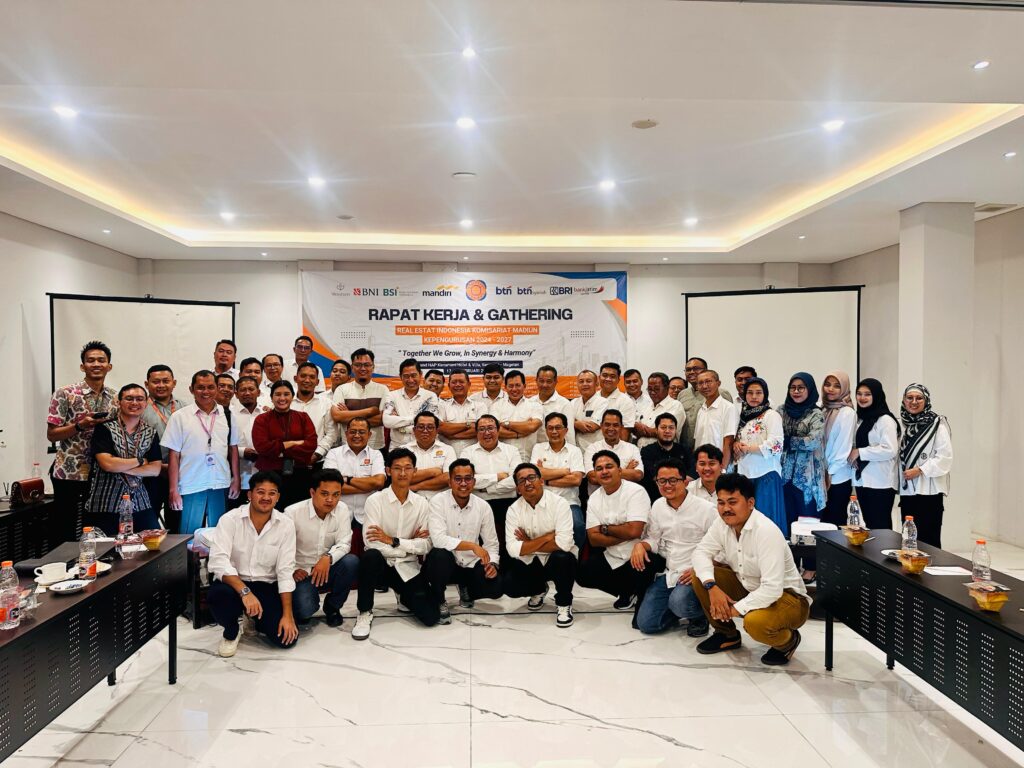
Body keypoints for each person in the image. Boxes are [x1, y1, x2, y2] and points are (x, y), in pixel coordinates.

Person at [690, 473, 811, 666]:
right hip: (749, 587)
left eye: (732, 502)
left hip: (788, 598)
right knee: (699, 576)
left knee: (754, 622)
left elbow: (772, 588)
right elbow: (700, 552)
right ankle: (727, 635)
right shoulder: (721, 524)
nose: (726, 509)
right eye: (721, 503)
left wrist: (733, 610)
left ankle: (788, 642)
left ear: (750, 503)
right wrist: (712, 587)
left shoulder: (765, 531)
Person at [207, 471, 299, 657]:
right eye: (260, 492)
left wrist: (287, 615)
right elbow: (218, 561)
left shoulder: (286, 524)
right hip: (233, 583)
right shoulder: (229, 520)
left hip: (265, 584)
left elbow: (285, 570)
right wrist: (245, 592)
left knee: (285, 640)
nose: (266, 498)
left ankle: (253, 618)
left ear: (278, 497)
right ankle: (231, 631)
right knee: (218, 595)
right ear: (249, 494)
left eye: (272, 493)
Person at [352, 449, 440, 639]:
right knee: (370, 556)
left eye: (408, 468)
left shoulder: (422, 503)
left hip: (407, 568)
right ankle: (364, 612)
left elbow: (426, 545)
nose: (402, 473)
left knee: (431, 617)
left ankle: (403, 595)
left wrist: (393, 541)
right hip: (381, 567)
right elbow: (371, 542)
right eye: (397, 468)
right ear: (388, 471)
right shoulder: (375, 500)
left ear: (414, 471)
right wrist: (407, 548)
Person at [632, 458, 717, 636]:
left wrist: (700, 570)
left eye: (673, 480)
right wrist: (641, 545)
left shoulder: (706, 509)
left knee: (679, 602)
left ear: (685, 481)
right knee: (647, 624)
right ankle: (679, 608)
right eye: (662, 481)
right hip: (670, 572)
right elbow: (654, 538)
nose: (667, 485)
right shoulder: (658, 505)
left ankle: (700, 615)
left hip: (695, 572)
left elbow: (720, 547)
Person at [47, 340, 117, 540]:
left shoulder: (115, 397)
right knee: (65, 529)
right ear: (82, 366)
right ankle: (63, 560)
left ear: (109, 366)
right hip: (69, 472)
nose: (96, 364)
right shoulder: (65, 393)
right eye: (91, 360)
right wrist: (79, 426)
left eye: (101, 360)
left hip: (101, 473)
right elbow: (52, 434)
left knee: (96, 529)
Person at [162, 370, 240, 533]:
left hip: (220, 482)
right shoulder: (180, 417)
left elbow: (233, 448)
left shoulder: (227, 415)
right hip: (191, 483)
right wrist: (173, 489)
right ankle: (191, 552)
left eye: (210, 387)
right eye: (200, 387)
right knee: (189, 535)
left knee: (219, 534)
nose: (206, 392)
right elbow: (174, 455)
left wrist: (236, 479)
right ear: (191, 389)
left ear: (217, 389)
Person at [424, 459, 503, 620]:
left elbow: (491, 543)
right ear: (450, 481)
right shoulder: (438, 501)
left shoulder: (483, 506)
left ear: (474, 481)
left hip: (470, 563)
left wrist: (493, 564)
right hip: (446, 563)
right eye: (458, 479)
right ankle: (439, 598)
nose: (463, 483)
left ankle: (466, 587)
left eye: (468, 478)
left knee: (496, 588)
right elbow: (438, 540)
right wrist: (472, 546)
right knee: (439, 555)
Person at [502, 462, 578, 627]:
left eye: (531, 477)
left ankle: (564, 603)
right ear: (518, 489)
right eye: (522, 480)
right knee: (509, 585)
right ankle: (539, 589)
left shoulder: (559, 503)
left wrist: (528, 544)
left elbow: (564, 544)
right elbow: (513, 549)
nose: (527, 483)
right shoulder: (513, 510)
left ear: (541, 481)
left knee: (563, 558)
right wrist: (547, 538)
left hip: (555, 559)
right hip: (532, 561)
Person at [576, 451, 653, 613]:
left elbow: (635, 531)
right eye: (599, 469)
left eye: (609, 466)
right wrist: (625, 533)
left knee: (642, 619)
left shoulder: (636, 491)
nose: (604, 471)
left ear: (619, 470)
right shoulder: (594, 498)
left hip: (640, 552)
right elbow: (594, 539)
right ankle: (627, 590)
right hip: (613, 554)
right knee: (582, 574)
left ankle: (642, 591)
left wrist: (605, 529)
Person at [284, 469, 359, 627]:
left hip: (327, 569)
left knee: (351, 562)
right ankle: (304, 604)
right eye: (324, 494)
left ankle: (332, 607)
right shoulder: (292, 513)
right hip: (301, 572)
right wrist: (292, 570)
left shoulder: (343, 509)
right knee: (304, 611)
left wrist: (328, 558)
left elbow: (344, 543)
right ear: (312, 492)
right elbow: (281, 550)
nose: (330, 500)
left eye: (336, 495)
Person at [87, 383, 163, 533]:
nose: (134, 403)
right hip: (106, 501)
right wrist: (140, 461)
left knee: (153, 541)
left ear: (146, 403)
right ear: (119, 402)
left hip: (139, 501)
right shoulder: (104, 428)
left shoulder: (150, 432)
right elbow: (107, 464)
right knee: (105, 545)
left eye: (139, 399)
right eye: (129, 398)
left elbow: (155, 469)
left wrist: (122, 467)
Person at [898, 384, 953, 547]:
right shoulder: (902, 424)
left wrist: (920, 470)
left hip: (929, 492)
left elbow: (945, 457)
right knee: (909, 540)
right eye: (910, 398)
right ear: (904, 400)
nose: (914, 402)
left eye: (919, 398)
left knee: (929, 541)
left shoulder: (937, 425)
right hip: (908, 492)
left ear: (926, 401)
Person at [459, 415, 521, 559]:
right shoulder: (467, 452)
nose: (486, 433)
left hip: (508, 503)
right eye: (482, 429)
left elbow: (516, 480)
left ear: (498, 430)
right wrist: (497, 477)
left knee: (510, 540)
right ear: (476, 433)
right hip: (478, 503)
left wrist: (486, 488)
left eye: (490, 428)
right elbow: (467, 480)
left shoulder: (511, 451)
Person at [732, 378, 786, 535]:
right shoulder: (743, 417)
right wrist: (736, 445)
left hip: (766, 474)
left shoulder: (771, 415)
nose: (754, 396)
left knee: (766, 523)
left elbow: (776, 445)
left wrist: (748, 449)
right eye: (750, 393)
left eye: (758, 393)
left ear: (765, 394)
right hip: (745, 474)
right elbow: (739, 439)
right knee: (747, 522)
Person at [252, 380, 318, 508]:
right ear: (271, 397)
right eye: (277, 394)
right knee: (270, 512)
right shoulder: (262, 419)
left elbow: (311, 445)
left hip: (299, 473)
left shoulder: (303, 417)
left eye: (286, 394)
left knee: (298, 512)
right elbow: (262, 447)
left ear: (292, 397)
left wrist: (279, 451)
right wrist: (292, 443)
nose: (282, 398)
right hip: (269, 476)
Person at [322, 417, 387, 540]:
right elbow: (330, 486)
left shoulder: (376, 455)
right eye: (353, 432)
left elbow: (379, 482)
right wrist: (368, 487)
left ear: (369, 435)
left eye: (361, 432)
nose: (357, 435)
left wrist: (347, 480)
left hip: (368, 515)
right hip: (338, 514)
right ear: (346, 434)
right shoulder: (333, 454)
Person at [779, 373, 826, 538]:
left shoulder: (816, 414)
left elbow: (813, 441)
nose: (796, 391)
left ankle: (808, 556)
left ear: (809, 389)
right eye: (793, 388)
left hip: (808, 479)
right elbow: (774, 437)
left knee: (808, 528)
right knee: (786, 524)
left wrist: (788, 441)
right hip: (784, 476)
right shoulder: (781, 411)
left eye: (801, 388)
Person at [141, 364, 188, 530]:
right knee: (148, 523)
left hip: (181, 474)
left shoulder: (185, 407)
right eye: (156, 382)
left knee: (178, 523)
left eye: (165, 381)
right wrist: (158, 467)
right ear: (147, 384)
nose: (161, 385)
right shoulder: (140, 407)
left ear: (174, 383)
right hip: (150, 474)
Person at [531, 413, 587, 550]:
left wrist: (546, 480)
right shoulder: (538, 448)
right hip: (543, 501)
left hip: (569, 502)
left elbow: (576, 480)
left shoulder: (574, 451)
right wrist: (564, 471)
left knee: (578, 526)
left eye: (558, 427)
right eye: (550, 428)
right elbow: (534, 476)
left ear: (566, 430)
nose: (554, 431)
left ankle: (574, 555)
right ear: (546, 430)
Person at [850, 378, 900, 530]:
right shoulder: (860, 419)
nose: (862, 398)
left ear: (876, 395)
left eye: (867, 394)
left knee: (881, 527)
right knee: (870, 525)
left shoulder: (885, 420)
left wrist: (860, 452)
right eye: (859, 394)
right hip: (863, 481)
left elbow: (890, 449)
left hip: (881, 482)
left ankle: (885, 548)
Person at [331, 348, 388, 452]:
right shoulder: (342, 389)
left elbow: (383, 419)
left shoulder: (383, 389)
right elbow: (337, 416)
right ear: (352, 367)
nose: (362, 368)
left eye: (367, 365)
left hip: (376, 447)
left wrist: (348, 415)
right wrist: (371, 411)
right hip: (348, 448)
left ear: (373, 367)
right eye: (358, 365)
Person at [820, 371, 857, 528]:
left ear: (844, 389)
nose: (830, 389)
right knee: (821, 524)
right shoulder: (822, 409)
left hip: (837, 477)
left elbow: (843, 448)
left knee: (834, 524)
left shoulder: (847, 412)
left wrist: (829, 472)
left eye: (836, 386)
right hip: (822, 475)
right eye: (827, 384)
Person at [382, 358, 440, 450]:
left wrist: (400, 425)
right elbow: (387, 421)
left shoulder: (430, 396)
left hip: (423, 448)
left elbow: (430, 423)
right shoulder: (392, 395)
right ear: (400, 377)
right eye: (406, 376)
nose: (410, 380)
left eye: (414, 375)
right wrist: (416, 419)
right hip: (397, 448)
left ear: (420, 375)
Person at [679, 357, 732, 454]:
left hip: (714, 451)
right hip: (687, 449)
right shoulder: (682, 394)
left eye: (696, 368)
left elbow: (729, 429)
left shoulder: (721, 393)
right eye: (688, 370)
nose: (691, 372)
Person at [583, 410, 643, 491]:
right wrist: (627, 470)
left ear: (621, 427)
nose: (611, 428)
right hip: (598, 497)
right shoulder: (592, 449)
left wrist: (603, 473)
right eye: (607, 425)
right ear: (601, 426)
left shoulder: (632, 448)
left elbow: (638, 475)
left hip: (626, 496)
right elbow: (593, 478)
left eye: (615, 425)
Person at [290, 362, 340, 461]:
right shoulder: (286, 403)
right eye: (303, 376)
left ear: (317, 382)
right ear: (296, 379)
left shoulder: (327, 404)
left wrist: (318, 454)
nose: (307, 380)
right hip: (287, 461)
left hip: (316, 461)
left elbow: (331, 433)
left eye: (312, 377)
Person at [490, 370, 543, 461]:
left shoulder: (535, 405)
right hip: (502, 458)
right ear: (505, 387)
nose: (514, 389)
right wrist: (521, 432)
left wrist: (506, 424)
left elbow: (532, 426)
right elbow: (495, 431)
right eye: (510, 386)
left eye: (518, 385)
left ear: (524, 386)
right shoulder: (496, 406)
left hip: (527, 458)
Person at [639, 414, 692, 502]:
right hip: (655, 498)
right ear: (656, 430)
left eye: (671, 428)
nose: (667, 431)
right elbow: (653, 475)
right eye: (663, 427)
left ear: (675, 430)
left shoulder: (685, 450)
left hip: (683, 498)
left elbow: (693, 471)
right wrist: (678, 481)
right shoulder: (647, 451)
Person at [230, 376, 264, 511]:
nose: (247, 393)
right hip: (236, 479)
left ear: (258, 392)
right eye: (243, 390)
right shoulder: (228, 415)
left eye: (251, 389)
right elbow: (221, 443)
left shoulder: (267, 413)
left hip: (263, 477)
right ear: (236, 394)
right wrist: (242, 452)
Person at [693, 370, 738, 469]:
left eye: (708, 381)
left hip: (719, 465)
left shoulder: (728, 408)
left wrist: (723, 468)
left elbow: (729, 442)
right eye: (700, 383)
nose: (704, 386)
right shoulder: (701, 410)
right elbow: (697, 441)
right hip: (702, 466)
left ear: (718, 383)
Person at [408, 412, 457, 500]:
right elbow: (402, 477)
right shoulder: (404, 450)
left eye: (430, 427)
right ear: (414, 430)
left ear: (437, 431)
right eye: (421, 427)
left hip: (440, 501)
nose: (425, 431)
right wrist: (433, 472)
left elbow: (448, 478)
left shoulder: (448, 450)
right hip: (411, 500)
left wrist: (416, 486)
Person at [439, 368, 484, 457]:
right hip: (448, 456)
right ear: (449, 385)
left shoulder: (480, 406)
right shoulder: (442, 406)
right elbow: (442, 428)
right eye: (454, 382)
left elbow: (480, 430)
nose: (457, 385)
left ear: (469, 384)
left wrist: (452, 435)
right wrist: (468, 424)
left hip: (474, 455)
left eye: (461, 382)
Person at [634, 373, 686, 450]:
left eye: (656, 389)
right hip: (640, 452)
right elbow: (635, 428)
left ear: (667, 388)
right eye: (649, 389)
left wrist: (642, 430)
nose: (652, 392)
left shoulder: (675, 405)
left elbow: (667, 432)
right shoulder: (646, 405)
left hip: (663, 453)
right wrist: (638, 427)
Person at [530, 365, 575, 446]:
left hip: (555, 450)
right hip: (533, 450)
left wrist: (570, 451)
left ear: (555, 382)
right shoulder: (530, 402)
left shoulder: (564, 404)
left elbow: (569, 434)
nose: (544, 385)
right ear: (536, 381)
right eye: (541, 381)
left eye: (549, 381)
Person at [570, 370, 608, 454]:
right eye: (581, 381)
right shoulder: (573, 402)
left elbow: (591, 427)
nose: (584, 384)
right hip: (576, 452)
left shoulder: (603, 402)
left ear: (596, 384)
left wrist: (573, 423)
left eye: (588, 381)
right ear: (577, 384)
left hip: (596, 452)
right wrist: (576, 424)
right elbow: (565, 425)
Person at [597, 362, 636, 442]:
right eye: (605, 375)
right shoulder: (593, 397)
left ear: (618, 380)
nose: (608, 379)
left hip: (612, 448)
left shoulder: (626, 401)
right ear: (599, 377)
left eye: (612, 376)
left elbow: (624, 435)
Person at [623, 368, 651, 440]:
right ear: (624, 384)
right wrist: (634, 424)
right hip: (624, 441)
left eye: (635, 381)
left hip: (646, 440)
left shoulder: (651, 401)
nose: (632, 384)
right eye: (628, 382)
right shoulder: (619, 400)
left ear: (641, 382)